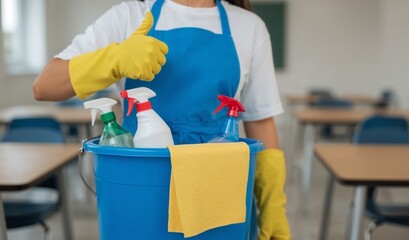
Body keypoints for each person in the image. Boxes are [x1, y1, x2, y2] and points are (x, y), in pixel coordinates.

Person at [33, 0, 290, 239]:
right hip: (139, 189)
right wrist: (114, 59)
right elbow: (44, 86)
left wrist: (272, 209)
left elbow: (261, 122)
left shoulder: (248, 27)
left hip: (217, 195)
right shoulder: (130, 16)